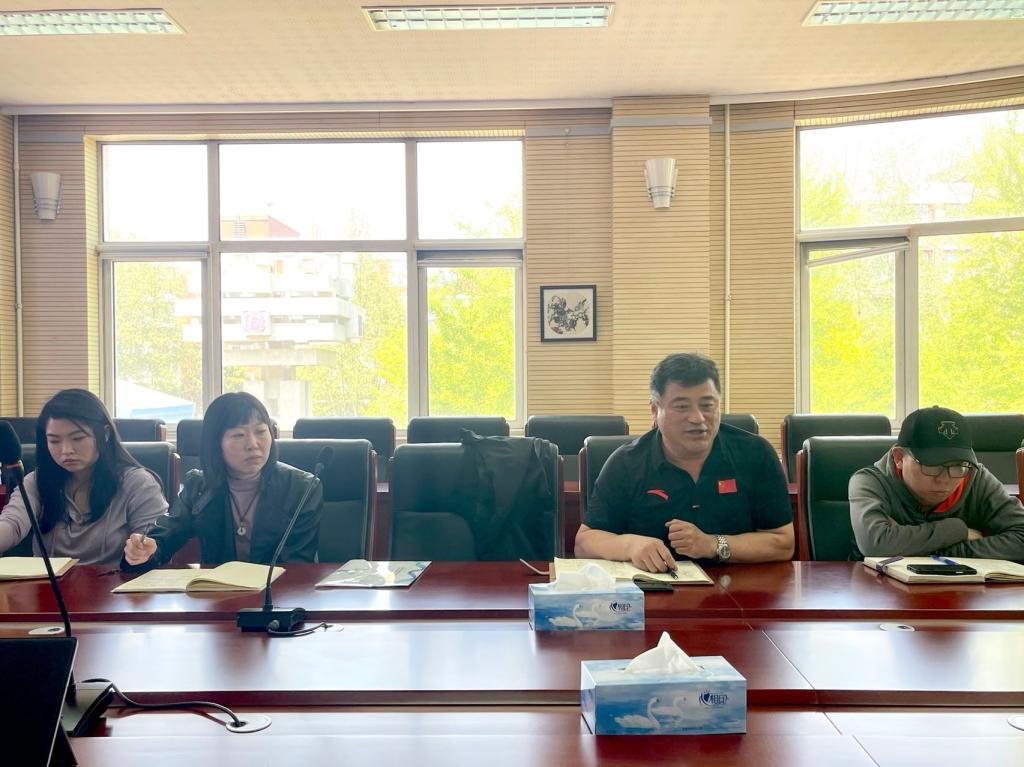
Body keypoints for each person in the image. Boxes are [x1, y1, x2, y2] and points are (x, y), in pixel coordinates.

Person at [575, 353, 793, 572]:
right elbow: (584, 543)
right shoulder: (626, 463)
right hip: (654, 589)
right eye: (681, 407)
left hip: (742, 588)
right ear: (655, 410)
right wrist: (630, 545)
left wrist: (713, 545)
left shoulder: (756, 454)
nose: (697, 418)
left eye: (707, 405)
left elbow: (783, 543)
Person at [123, 392, 322, 569]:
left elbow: (296, 565)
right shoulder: (199, 486)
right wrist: (147, 550)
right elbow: (167, 535)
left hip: (278, 593)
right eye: (238, 435)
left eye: (261, 431)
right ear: (215, 443)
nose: (253, 444)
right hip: (218, 594)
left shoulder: (302, 488)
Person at [0, 389, 168, 567]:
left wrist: (144, 549)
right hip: (46, 583)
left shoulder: (138, 483)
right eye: (54, 441)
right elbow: (12, 524)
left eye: (77, 438)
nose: (66, 450)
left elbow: (155, 540)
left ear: (105, 434)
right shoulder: (36, 481)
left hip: (113, 583)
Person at [850, 406, 1024, 561]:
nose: (944, 479)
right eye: (931, 466)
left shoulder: (976, 478)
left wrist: (937, 551)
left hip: (963, 586)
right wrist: (958, 530)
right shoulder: (870, 482)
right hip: (877, 585)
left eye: (957, 466)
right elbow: (876, 544)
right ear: (899, 458)